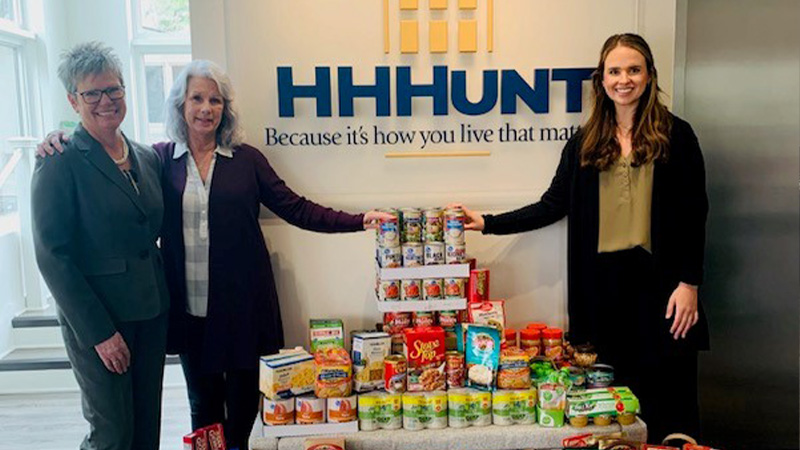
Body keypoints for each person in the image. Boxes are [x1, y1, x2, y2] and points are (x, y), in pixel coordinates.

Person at [38, 59, 391, 449]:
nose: (206, 108)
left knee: (243, 414)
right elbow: (107, 162)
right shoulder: (157, 159)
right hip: (190, 315)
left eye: (215, 100)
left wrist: (359, 220)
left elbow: (296, 207)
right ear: (181, 105)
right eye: (197, 98)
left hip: (243, 311)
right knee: (202, 411)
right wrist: (60, 138)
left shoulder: (246, 160)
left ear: (225, 108)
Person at [453, 33, 709, 441]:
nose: (623, 79)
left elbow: (695, 213)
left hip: (662, 289)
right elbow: (551, 205)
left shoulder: (677, 136)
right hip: (602, 291)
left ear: (649, 76)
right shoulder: (584, 142)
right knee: (606, 405)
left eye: (633, 70)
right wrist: (487, 222)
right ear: (601, 80)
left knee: (668, 398)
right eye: (615, 71)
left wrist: (689, 282)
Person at [31, 42, 169, 449]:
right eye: (92, 93)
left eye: (114, 89)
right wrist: (100, 333)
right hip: (100, 320)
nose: (106, 100)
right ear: (74, 101)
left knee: (147, 426)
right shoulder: (59, 160)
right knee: (111, 432)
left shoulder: (146, 157)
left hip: (151, 313)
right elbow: (53, 257)